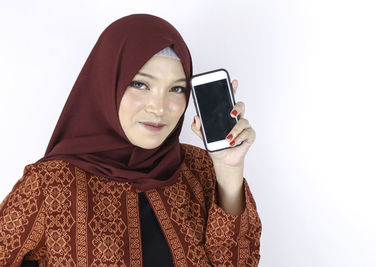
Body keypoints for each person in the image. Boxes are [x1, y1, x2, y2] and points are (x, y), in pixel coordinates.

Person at [0, 14, 261, 266]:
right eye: (140, 85)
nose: (159, 108)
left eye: (177, 89)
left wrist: (229, 170)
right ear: (106, 84)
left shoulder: (200, 169)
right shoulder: (50, 184)